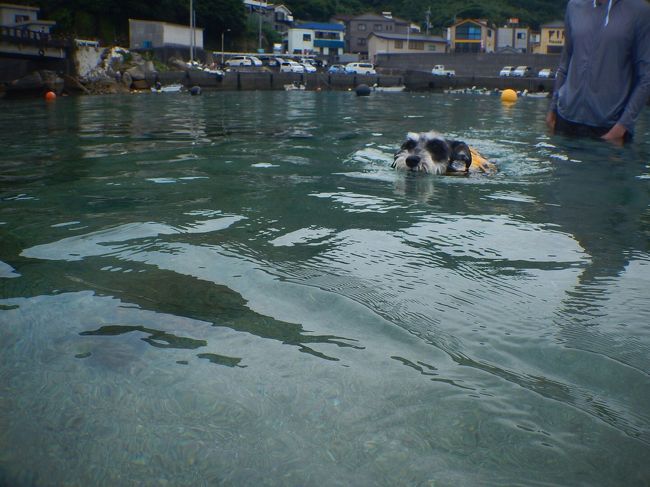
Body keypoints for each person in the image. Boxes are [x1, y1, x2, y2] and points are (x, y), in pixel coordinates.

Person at [546, 0, 650, 143]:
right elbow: (566, 61)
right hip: (565, 120)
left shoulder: (640, 11)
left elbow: (646, 76)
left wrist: (622, 126)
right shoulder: (574, 6)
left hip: (609, 129)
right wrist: (553, 108)